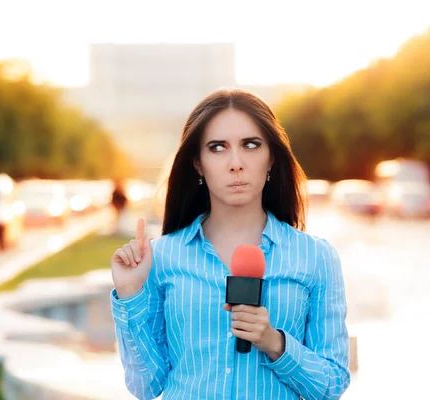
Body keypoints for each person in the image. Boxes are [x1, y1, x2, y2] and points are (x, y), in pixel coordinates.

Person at [110, 89, 350, 399]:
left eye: (251, 145)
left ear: (271, 157)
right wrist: (130, 294)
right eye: (218, 148)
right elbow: (146, 386)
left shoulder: (316, 257)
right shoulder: (161, 257)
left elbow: (331, 385)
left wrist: (275, 342)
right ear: (197, 163)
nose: (236, 163)